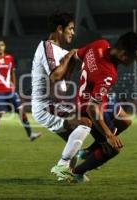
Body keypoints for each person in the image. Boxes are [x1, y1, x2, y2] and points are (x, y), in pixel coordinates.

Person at [56, 32, 137, 183]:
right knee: (113, 148)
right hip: (88, 108)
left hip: (94, 99)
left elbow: (75, 53)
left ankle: (88, 151)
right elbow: (92, 109)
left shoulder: (99, 45)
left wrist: (65, 71)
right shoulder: (108, 73)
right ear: (123, 54)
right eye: (135, 56)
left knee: (125, 121)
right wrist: (109, 135)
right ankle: (75, 173)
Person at [31, 12, 93, 178]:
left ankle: (69, 174)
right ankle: (62, 166)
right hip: (45, 105)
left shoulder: (59, 50)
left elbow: (63, 82)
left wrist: (70, 63)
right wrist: (67, 59)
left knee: (75, 137)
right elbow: (55, 76)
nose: (73, 32)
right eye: (70, 29)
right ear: (60, 29)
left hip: (54, 103)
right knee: (85, 122)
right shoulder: (47, 47)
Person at [0, 39, 41, 142]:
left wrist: (14, 87)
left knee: (21, 111)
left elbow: (12, 73)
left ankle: (30, 135)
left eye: (2, 45)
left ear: (4, 47)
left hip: (10, 91)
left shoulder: (9, 58)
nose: (0, 47)